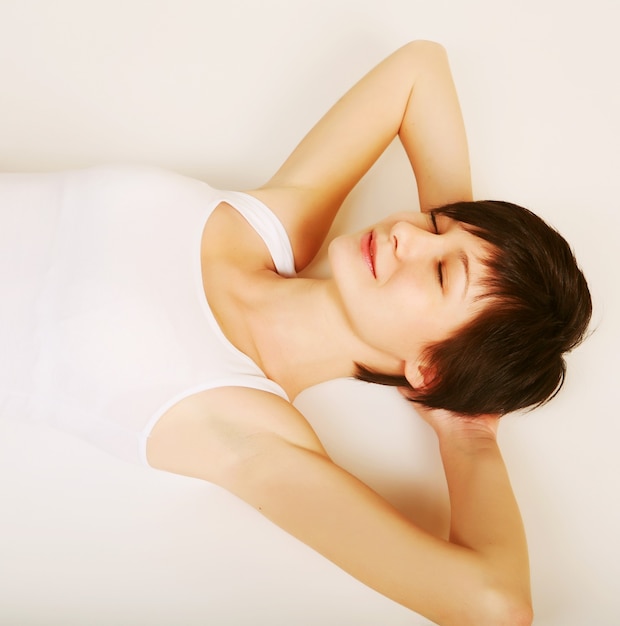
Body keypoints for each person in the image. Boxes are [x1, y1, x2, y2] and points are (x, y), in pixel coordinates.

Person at [0, 41, 591, 625]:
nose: (406, 235)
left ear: (428, 366)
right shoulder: (274, 226)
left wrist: (468, 429)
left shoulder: (246, 427)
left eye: (440, 273)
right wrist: (470, 230)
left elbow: (496, 605)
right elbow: (420, 68)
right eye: (435, 224)